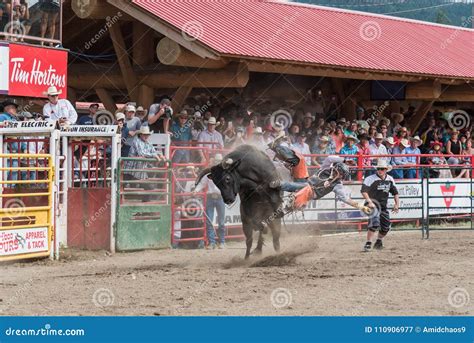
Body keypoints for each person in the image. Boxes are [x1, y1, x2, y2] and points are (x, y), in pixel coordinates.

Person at [271, 155, 371, 215]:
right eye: (338, 172)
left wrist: (362, 207)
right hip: (307, 184)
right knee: (298, 184)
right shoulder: (325, 168)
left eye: (340, 175)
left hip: (313, 193)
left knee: (305, 188)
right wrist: (344, 160)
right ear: (335, 169)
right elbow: (329, 158)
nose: (338, 175)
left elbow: (347, 199)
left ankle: (286, 205)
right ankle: (280, 186)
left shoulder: (337, 185)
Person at [361, 160, 399, 252]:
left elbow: (395, 193)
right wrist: (369, 201)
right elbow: (364, 191)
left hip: (383, 206)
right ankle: (368, 243)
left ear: (386, 170)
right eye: (378, 169)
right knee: (374, 222)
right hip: (372, 204)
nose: (380, 170)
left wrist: (397, 204)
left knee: (386, 227)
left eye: (382, 169)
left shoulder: (390, 179)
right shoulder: (370, 179)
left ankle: (379, 241)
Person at [124, 126, 166, 202]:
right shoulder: (136, 141)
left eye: (147, 134)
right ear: (140, 134)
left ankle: (144, 208)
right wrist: (155, 155)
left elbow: (153, 151)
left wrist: (159, 154)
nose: (146, 136)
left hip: (139, 171)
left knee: (149, 187)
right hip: (130, 171)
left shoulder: (148, 143)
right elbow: (142, 153)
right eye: (144, 134)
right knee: (121, 186)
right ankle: (118, 204)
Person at [194, 153, 227, 249]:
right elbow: (202, 183)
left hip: (220, 198)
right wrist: (196, 190)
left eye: (219, 162)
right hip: (211, 198)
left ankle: (222, 242)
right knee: (209, 221)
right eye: (216, 161)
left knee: (221, 221)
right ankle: (212, 242)